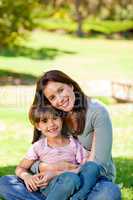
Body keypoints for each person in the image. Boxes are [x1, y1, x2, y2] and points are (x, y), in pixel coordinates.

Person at [0, 69, 121, 200]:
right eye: (52, 97)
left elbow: (98, 164)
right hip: (55, 183)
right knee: (6, 183)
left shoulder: (97, 112)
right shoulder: (54, 115)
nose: (60, 99)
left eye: (60, 90)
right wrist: (46, 169)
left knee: (109, 192)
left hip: (90, 181)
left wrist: (61, 170)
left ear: (71, 85)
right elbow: (36, 160)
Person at [0, 105, 98, 200]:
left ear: (61, 120)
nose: (51, 124)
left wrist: (56, 173)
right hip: (47, 187)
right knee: (4, 182)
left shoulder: (74, 144)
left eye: (55, 118)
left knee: (76, 176)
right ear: (38, 126)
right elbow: (21, 168)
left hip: (68, 183)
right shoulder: (38, 147)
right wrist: (27, 177)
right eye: (45, 121)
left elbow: (84, 168)